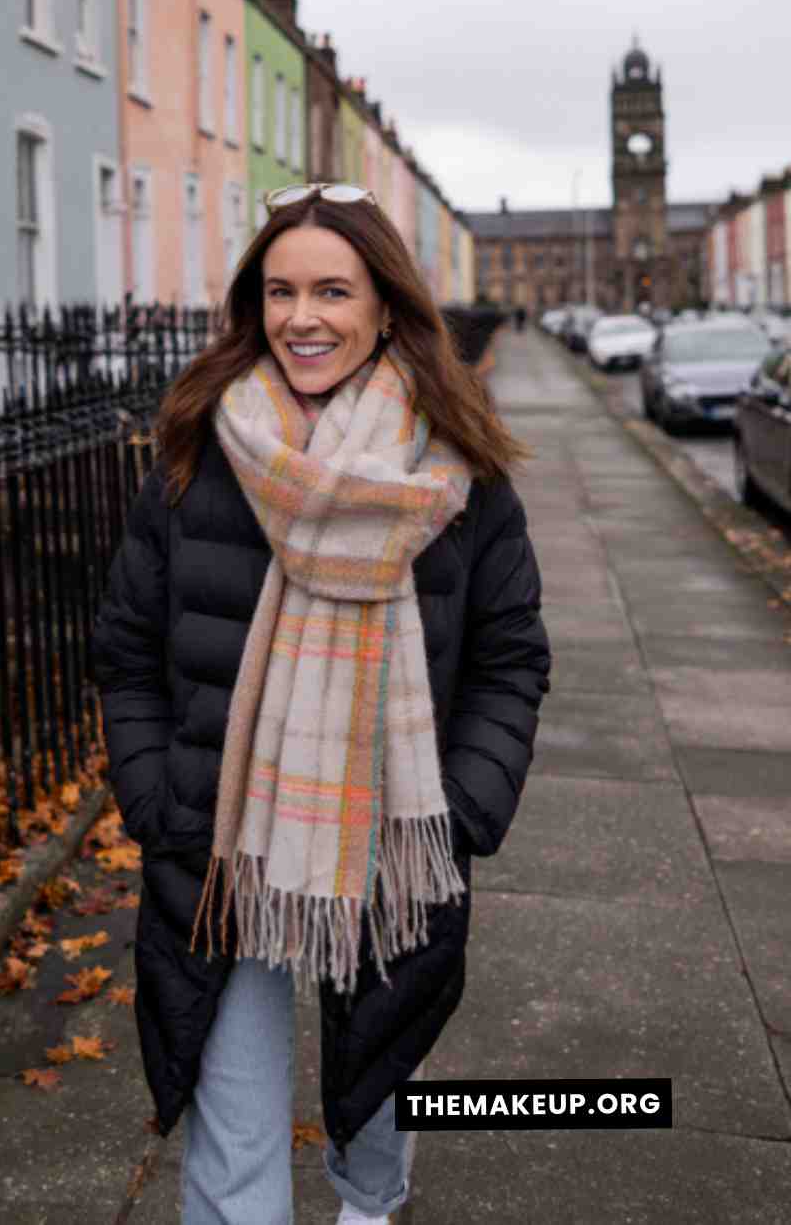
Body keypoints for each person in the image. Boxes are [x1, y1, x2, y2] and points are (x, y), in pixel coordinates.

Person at [92, 183, 551, 1225]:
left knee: (378, 1080)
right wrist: (156, 797)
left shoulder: (458, 463)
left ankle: (369, 1205)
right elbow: (126, 648)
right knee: (232, 1127)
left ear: (386, 306)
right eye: (280, 291)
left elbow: (510, 657)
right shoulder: (199, 448)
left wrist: (460, 812)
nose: (302, 317)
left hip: (394, 839)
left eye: (332, 291)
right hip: (223, 842)